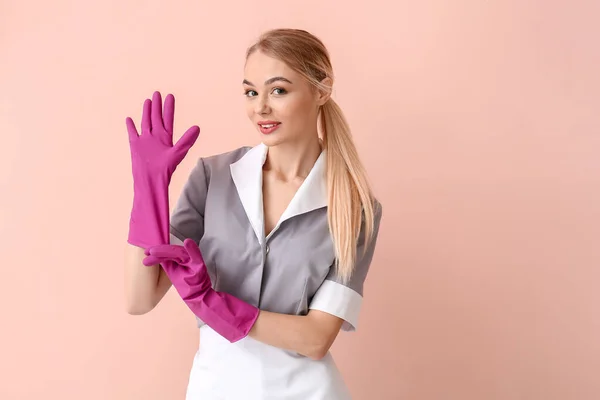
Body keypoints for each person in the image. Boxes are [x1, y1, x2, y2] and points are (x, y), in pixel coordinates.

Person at [124, 28, 383, 400]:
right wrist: (148, 191)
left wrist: (212, 303)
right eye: (251, 92)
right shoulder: (213, 178)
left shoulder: (354, 207)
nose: (260, 107)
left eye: (278, 90)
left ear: (322, 90)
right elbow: (139, 299)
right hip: (215, 389)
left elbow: (315, 339)